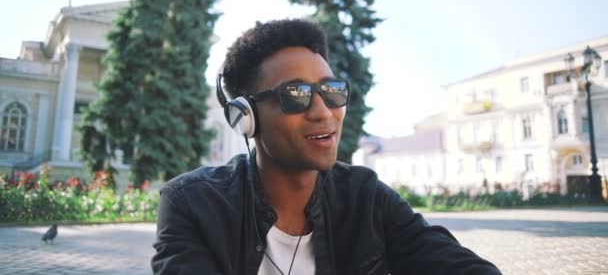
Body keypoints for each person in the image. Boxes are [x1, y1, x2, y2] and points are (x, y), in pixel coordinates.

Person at [151, 19, 501, 274]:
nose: (323, 112)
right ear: (245, 117)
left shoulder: (366, 197)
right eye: (296, 95)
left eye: (331, 91)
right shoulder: (191, 204)